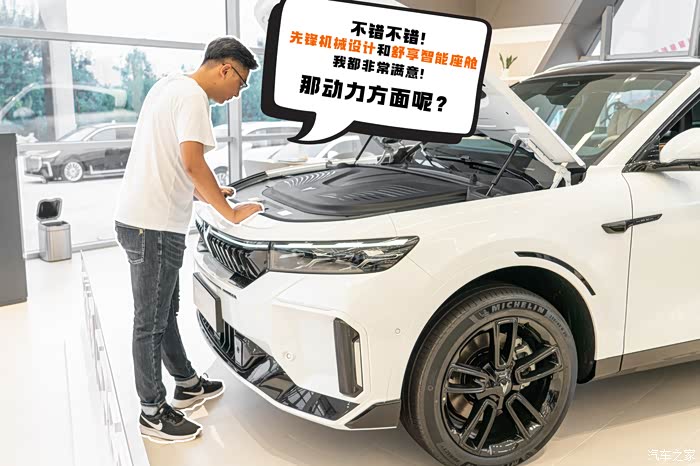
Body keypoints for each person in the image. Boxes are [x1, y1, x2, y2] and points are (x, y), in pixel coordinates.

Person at [113, 36, 262, 443]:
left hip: (140, 219)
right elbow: (193, 163)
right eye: (241, 83)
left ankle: (187, 383)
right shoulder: (195, 98)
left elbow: (170, 163)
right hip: (154, 226)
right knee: (150, 322)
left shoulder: (167, 85)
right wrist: (229, 211)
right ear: (225, 68)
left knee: (163, 313)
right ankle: (152, 413)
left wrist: (207, 194)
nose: (237, 94)